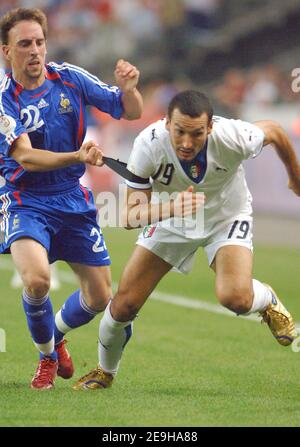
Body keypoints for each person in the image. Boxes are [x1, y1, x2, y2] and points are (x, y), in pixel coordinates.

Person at [73, 89, 300, 390]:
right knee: (124, 305)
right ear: (167, 123)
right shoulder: (148, 145)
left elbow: (273, 131)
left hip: (225, 216)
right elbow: (128, 216)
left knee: (235, 298)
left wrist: (295, 175)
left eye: (196, 134)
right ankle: (104, 371)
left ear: (210, 128)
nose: (186, 143)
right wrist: (171, 208)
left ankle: (267, 299)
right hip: (171, 219)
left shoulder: (234, 136)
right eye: (179, 131)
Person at [0, 7, 143, 389]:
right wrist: (78, 155)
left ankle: (56, 335)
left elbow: (130, 111)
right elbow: (26, 158)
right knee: (37, 281)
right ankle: (46, 356)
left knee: (99, 297)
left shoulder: (69, 78)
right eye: (24, 44)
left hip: (71, 198)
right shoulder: (4, 99)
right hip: (25, 198)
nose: (35, 51)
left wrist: (129, 90)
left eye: (40, 42)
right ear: (6, 51)